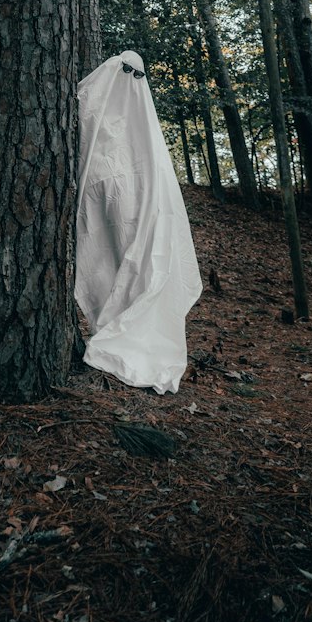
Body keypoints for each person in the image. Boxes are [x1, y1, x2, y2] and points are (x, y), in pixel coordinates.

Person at [75, 50, 202, 394]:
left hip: (132, 209)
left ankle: (126, 330)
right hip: (111, 207)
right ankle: (112, 323)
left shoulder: (140, 129)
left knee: (136, 267)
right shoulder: (104, 114)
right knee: (111, 264)